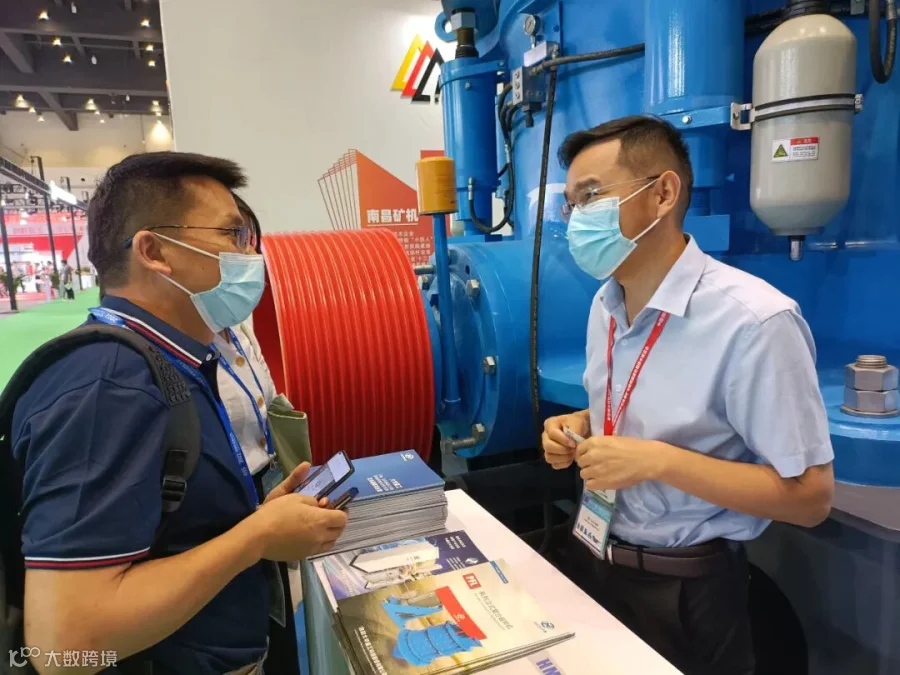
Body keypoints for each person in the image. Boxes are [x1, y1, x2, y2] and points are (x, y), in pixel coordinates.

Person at [10, 152, 347, 674]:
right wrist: (255, 538)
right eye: (232, 235)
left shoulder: (173, 362)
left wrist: (257, 521)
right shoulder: (109, 387)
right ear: (154, 251)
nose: (249, 255)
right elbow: (65, 644)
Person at [542, 116, 834, 675]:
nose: (577, 219)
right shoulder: (605, 305)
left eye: (592, 196)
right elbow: (635, 408)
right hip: (596, 556)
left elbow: (811, 497)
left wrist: (659, 462)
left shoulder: (754, 322)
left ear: (663, 193)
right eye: (571, 204)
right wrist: (580, 425)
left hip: (688, 590)